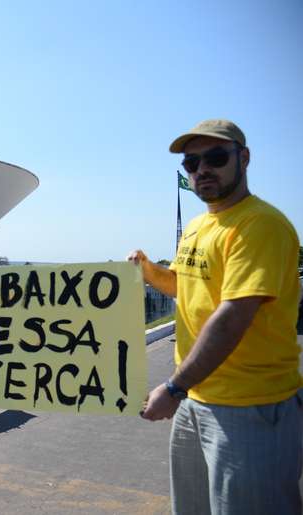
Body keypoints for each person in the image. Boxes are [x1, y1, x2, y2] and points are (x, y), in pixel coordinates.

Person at [128, 119, 301, 514]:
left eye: (216, 158)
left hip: (251, 406)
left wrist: (172, 389)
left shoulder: (260, 225)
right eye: (192, 163)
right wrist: (148, 270)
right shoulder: (197, 226)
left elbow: (234, 314)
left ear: (243, 158)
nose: (202, 170)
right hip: (196, 398)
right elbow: (184, 286)